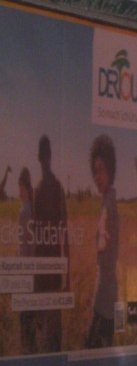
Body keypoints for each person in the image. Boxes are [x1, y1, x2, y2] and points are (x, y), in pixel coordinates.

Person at [32, 135, 69, 353]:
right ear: (40, 158)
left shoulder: (57, 188)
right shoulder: (38, 191)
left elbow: (66, 235)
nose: (46, 160)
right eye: (43, 156)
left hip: (54, 273)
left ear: (50, 157)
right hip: (43, 273)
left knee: (55, 335)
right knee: (44, 334)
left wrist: (68, 277)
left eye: (48, 156)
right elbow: (36, 236)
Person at [86, 135, 119, 349]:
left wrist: (102, 238)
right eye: (95, 171)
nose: (97, 177)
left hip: (106, 302)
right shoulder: (106, 201)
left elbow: (105, 231)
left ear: (110, 170)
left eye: (102, 170)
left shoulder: (108, 205)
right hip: (104, 298)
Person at [17, 167, 36, 354]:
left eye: (19, 187)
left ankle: (27, 350)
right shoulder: (34, 209)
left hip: (25, 270)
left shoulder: (23, 211)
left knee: (24, 316)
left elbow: (23, 247)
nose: (18, 192)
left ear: (23, 186)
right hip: (35, 269)